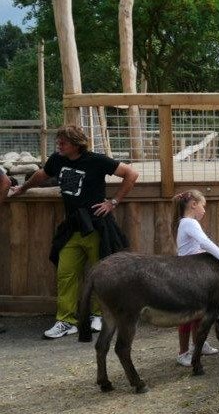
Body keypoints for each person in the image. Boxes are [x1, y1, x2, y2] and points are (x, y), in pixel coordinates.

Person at [9, 124, 139, 339]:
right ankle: (66, 321)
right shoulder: (57, 160)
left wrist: (113, 202)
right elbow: (41, 174)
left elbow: (131, 174)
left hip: (97, 225)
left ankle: (98, 315)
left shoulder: (97, 160)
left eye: (63, 142)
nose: (59, 145)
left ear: (77, 144)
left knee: (100, 273)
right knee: (65, 273)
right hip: (72, 226)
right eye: (58, 141)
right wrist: (22, 188)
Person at [172, 189, 219, 366]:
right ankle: (183, 353)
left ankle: (197, 345)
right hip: (188, 275)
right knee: (188, 315)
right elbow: (204, 243)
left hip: (196, 274)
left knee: (198, 314)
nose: (204, 210)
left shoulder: (187, 222)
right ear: (193, 205)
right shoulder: (188, 223)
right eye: (203, 206)